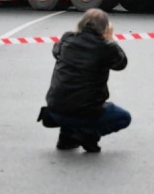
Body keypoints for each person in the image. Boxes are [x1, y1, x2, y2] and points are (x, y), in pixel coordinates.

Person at [39, 8, 131, 153]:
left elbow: (55, 51)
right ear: (104, 28)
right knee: (124, 117)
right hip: (87, 111)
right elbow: (121, 64)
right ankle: (89, 134)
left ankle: (67, 138)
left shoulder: (67, 39)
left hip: (55, 108)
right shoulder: (105, 47)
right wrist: (110, 39)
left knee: (71, 95)